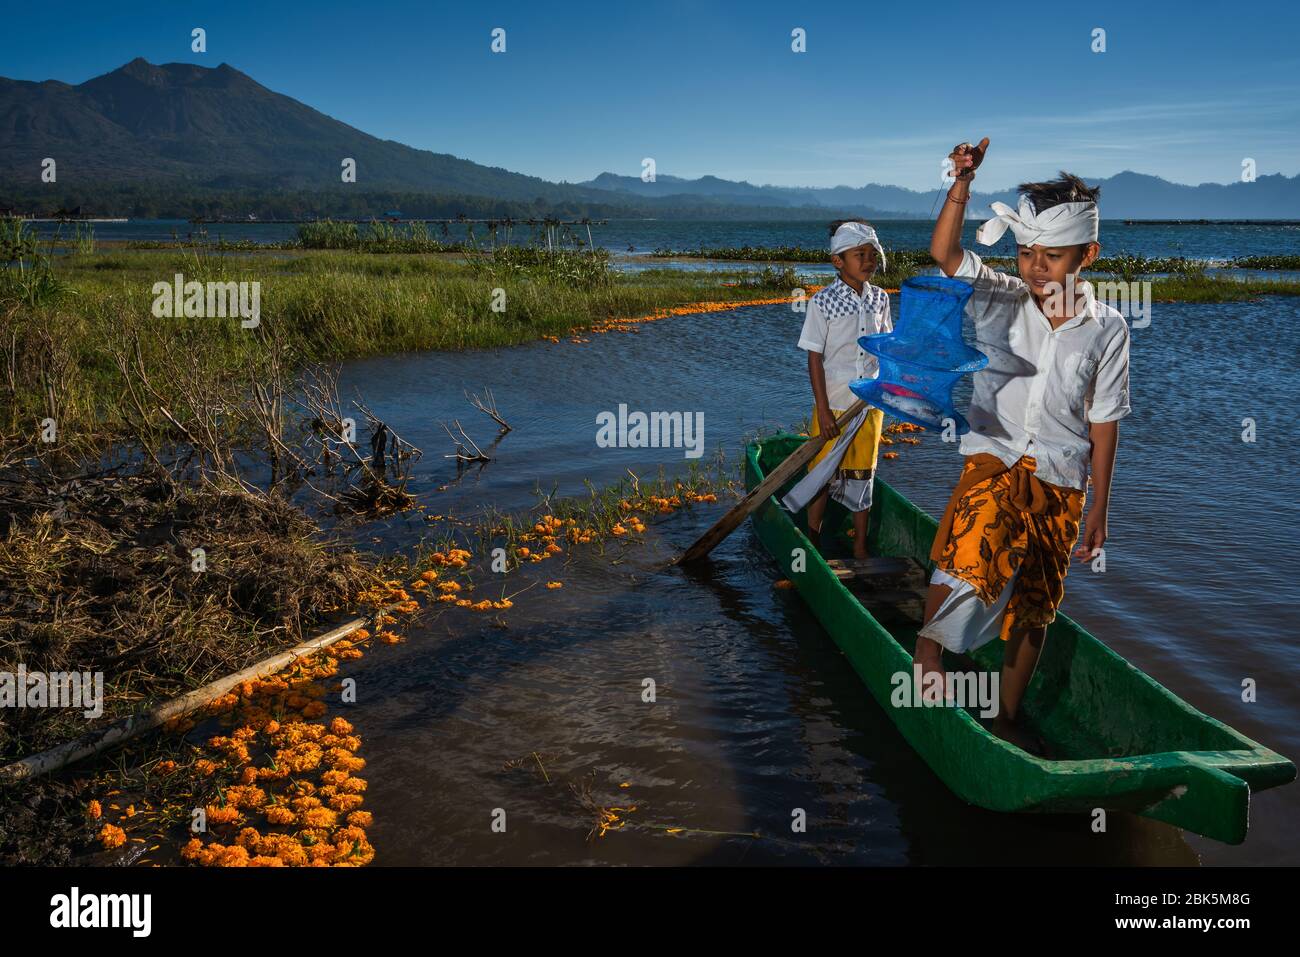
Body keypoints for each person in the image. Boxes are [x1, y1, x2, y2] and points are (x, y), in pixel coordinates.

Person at [913, 138, 1131, 750]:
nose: (1035, 268)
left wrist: (1099, 506)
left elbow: (1105, 419)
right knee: (970, 547)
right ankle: (927, 650)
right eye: (1026, 252)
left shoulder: (1108, 328)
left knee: (1035, 604)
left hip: (1063, 476)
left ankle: (1005, 719)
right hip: (996, 452)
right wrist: (962, 181)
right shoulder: (999, 296)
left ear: (1088, 253)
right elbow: (944, 251)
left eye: (1052, 256)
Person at [797, 220, 893, 559]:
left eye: (872, 254)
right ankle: (811, 539)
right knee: (822, 473)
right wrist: (822, 410)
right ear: (838, 260)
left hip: (868, 405)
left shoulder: (880, 299)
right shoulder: (822, 302)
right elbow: (814, 358)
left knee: (863, 474)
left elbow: (885, 349)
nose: (868, 260)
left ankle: (860, 547)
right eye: (859, 254)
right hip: (834, 403)